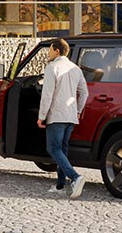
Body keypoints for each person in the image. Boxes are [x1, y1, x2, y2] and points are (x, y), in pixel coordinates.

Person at [37, 37, 88, 197]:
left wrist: (42, 116)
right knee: (62, 150)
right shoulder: (75, 69)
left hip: (56, 115)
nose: (49, 53)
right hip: (71, 116)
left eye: (50, 50)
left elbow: (47, 95)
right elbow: (84, 93)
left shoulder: (52, 67)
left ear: (57, 51)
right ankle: (60, 185)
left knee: (53, 148)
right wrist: (78, 111)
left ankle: (75, 177)